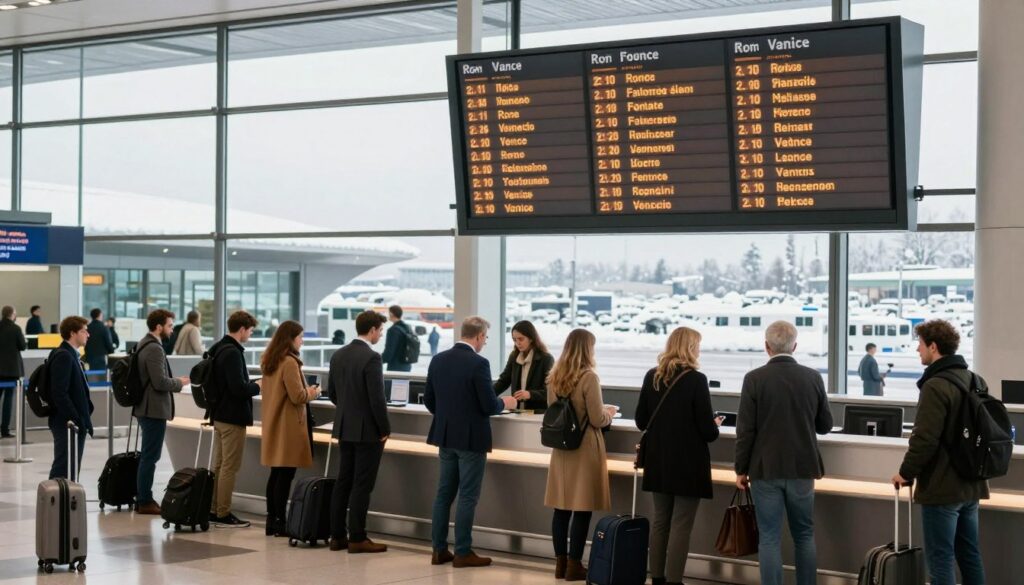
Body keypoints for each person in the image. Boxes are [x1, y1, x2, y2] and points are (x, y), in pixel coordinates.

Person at [734, 320, 833, 585]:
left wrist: (740, 470)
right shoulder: (813, 377)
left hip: (765, 469)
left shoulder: (753, 379)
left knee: (769, 536)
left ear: (766, 347)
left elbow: (746, 431)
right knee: (804, 534)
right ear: (795, 346)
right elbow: (825, 425)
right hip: (802, 467)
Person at [891, 320, 988, 585]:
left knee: (940, 558)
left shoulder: (935, 385)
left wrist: (905, 472)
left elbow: (925, 439)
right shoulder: (975, 380)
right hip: (972, 484)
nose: (917, 350)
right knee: (970, 555)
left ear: (933, 347)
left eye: (920, 344)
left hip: (943, 486)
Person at [425, 316, 517, 568]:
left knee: (444, 495)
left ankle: (439, 549)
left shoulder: (438, 359)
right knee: (467, 496)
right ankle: (463, 551)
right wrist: (506, 403)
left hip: (445, 436)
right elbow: (488, 404)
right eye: (485, 338)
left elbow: (429, 401)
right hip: (470, 439)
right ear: (477, 336)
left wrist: (448, 417)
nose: (484, 343)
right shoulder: (478, 363)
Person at [636, 327, 723, 585]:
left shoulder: (652, 376)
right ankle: (675, 581)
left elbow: (642, 421)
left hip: (658, 460)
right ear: (690, 348)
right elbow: (707, 432)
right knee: (681, 525)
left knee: (660, 522)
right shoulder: (696, 379)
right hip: (688, 463)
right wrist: (714, 423)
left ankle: (658, 579)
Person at [544, 329, 617, 581]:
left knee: (561, 508)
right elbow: (597, 418)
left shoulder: (554, 376)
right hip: (584, 448)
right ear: (588, 349)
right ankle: (575, 564)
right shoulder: (589, 377)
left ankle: (560, 563)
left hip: (561, 448)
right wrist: (610, 413)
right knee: (582, 507)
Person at [327, 310, 390, 553]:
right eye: (380, 331)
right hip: (368, 431)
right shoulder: (371, 357)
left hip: (344, 427)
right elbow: (377, 399)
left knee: (343, 481)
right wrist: (384, 429)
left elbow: (333, 393)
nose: (380, 335)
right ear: (372, 330)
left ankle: (337, 536)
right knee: (362, 485)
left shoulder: (338, 355)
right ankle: (357, 537)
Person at [261, 320, 320, 536]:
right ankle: (280, 523)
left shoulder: (270, 360)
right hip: (288, 427)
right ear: (291, 339)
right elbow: (298, 396)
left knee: (276, 474)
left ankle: (272, 521)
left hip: (274, 423)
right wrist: (314, 391)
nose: (302, 341)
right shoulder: (289, 363)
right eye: (300, 337)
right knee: (285, 476)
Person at [133, 309, 190, 515]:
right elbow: (159, 382)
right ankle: (145, 500)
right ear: (159, 327)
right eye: (170, 325)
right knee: (151, 456)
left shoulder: (143, 343)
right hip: (153, 409)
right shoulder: (154, 348)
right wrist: (180, 383)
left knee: (148, 455)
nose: (172, 329)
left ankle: (143, 497)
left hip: (146, 408)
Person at [207, 310, 261, 528]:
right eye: (250, 331)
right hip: (232, 418)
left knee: (219, 466)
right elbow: (238, 388)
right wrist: (258, 386)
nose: (250, 335)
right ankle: (223, 513)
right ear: (242, 329)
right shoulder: (233, 353)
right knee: (229, 466)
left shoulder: (219, 348)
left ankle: (214, 509)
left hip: (219, 415)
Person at [47, 316, 93, 479]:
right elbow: (59, 392)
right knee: (63, 468)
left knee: (71, 468)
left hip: (72, 422)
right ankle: (57, 502)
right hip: (67, 423)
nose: (88, 334)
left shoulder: (71, 355)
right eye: (83, 331)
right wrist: (76, 418)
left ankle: (66, 501)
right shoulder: (64, 356)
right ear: (72, 333)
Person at [493, 320, 554, 412]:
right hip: (517, 411)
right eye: (514, 340)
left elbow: (550, 392)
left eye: (521, 339)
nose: (517, 343)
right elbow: (503, 381)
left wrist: (530, 394)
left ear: (531, 338)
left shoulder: (546, 359)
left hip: (537, 414)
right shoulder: (514, 357)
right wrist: (486, 395)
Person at [0, 306, 27, 439]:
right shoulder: (15, 328)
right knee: (8, 401)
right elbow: (22, 346)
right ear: (12, 315)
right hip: (11, 370)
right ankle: (4, 430)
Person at [381, 305, 414, 372]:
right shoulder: (408, 328)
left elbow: (389, 353)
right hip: (407, 366)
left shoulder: (393, 330)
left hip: (395, 368)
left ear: (391, 313)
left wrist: (378, 360)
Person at [84, 308, 116, 373]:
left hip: (89, 357)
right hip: (101, 358)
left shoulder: (87, 328)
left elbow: (85, 343)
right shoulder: (104, 328)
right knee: (101, 378)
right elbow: (108, 343)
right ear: (100, 315)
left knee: (91, 377)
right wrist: (112, 352)